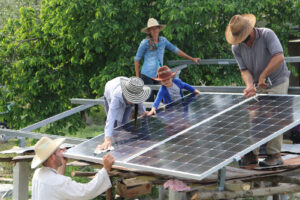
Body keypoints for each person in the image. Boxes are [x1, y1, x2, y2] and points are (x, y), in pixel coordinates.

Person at [225, 14, 290, 167]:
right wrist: (249, 85)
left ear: (251, 30)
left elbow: (279, 57)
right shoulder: (236, 47)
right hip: (258, 84)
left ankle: (274, 155)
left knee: (275, 115)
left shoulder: (267, 34)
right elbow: (244, 70)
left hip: (277, 80)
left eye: (244, 38)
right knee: (253, 115)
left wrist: (263, 75)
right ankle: (251, 154)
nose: (242, 42)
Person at [134, 18, 200, 102]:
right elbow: (137, 60)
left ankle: (163, 115)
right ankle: (149, 114)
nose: (154, 30)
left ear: (159, 28)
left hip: (159, 75)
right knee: (149, 101)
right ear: (149, 30)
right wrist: (137, 78)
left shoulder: (163, 41)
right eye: (152, 29)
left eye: (156, 28)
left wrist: (192, 58)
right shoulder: (145, 43)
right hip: (147, 75)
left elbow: (176, 50)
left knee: (163, 98)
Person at [31, 136, 114, 200]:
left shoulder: (38, 173)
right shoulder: (57, 182)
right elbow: (86, 191)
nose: (63, 150)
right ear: (52, 157)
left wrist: (63, 164)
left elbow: (57, 184)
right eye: (59, 150)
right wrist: (105, 169)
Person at [96, 76, 151, 150]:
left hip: (123, 84)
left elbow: (139, 102)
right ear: (126, 94)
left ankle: (125, 145)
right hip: (110, 91)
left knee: (125, 123)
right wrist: (107, 139)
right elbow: (110, 117)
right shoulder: (116, 97)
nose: (133, 101)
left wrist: (143, 112)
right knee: (115, 123)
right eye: (131, 98)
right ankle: (116, 143)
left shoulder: (135, 90)